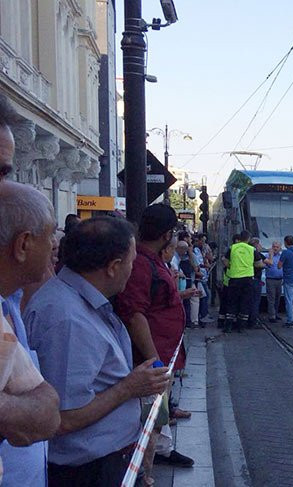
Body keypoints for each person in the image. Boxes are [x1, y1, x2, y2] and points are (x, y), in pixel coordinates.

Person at [27, 217, 170, 485]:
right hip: (88, 471)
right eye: (132, 261)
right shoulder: (68, 319)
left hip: (103, 463)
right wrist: (129, 388)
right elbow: (63, 419)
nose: (133, 269)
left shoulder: (79, 303)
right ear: (114, 267)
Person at [114, 204, 195, 469]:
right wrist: (154, 360)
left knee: (157, 416)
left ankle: (160, 451)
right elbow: (135, 314)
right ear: (167, 234)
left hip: (162, 358)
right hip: (153, 362)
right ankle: (144, 470)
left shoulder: (151, 260)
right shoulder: (140, 263)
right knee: (152, 416)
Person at [0, 181, 62, 486]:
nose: (54, 246)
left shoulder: (10, 303)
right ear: (23, 245)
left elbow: (47, 411)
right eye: (50, 235)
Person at [220, 231, 260, 333]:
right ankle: (241, 326)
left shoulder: (233, 248)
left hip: (234, 278)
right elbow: (259, 264)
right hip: (247, 279)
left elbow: (224, 259)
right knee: (245, 302)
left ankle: (228, 326)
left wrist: (230, 266)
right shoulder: (252, 249)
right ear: (248, 238)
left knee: (232, 301)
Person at [264, 241, 284, 323]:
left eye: (277, 247)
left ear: (280, 248)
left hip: (279, 279)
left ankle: (275, 313)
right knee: (271, 297)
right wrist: (270, 256)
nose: (275, 248)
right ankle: (271, 316)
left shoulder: (281, 256)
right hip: (270, 279)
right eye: (274, 247)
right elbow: (265, 265)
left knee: (277, 298)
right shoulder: (267, 256)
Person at [247, 238, 265, 328]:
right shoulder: (257, 254)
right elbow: (266, 263)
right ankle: (253, 321)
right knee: (255, 301)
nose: (261, 246)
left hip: (246, 279)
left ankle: (246, 319)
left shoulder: (247, 252)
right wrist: (271, 254)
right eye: (260, 245)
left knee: (247, 300)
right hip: (255, 280)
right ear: (256, 245)